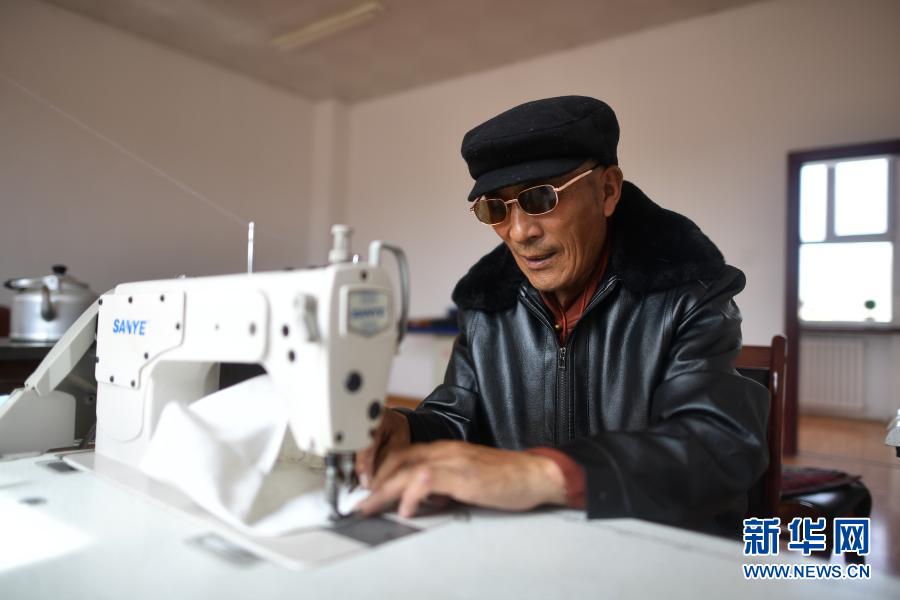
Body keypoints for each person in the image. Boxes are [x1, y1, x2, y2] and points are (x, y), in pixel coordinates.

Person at [355, 95, 769, 535]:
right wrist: (404, 430)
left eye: (541, 198)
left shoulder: (689, 292)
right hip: (533, 545)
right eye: (496, 208)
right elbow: (459, 418)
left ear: (607, 190)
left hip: (657, 549)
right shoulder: (486, 306)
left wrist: (541, 475)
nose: (519, 233)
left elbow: (717, 445)